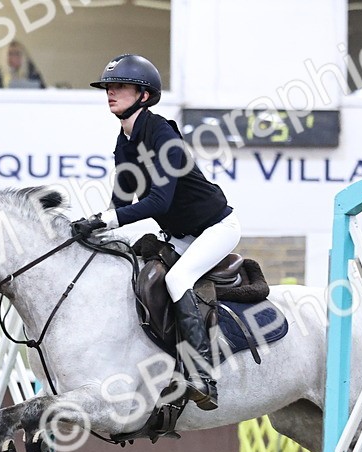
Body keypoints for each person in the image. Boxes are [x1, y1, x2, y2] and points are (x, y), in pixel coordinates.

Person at [71, 54, 238, 411]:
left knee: (177, 281)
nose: (110, 93)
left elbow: (159, 203)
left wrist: (104, 220)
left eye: (119, 87)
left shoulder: (162, 133)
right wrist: (95, 232)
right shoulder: (124, 141)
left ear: (143, 95)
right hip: (180, 235)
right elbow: (121, 199)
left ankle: (204, 377)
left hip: (216, 229)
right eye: (108, 87)